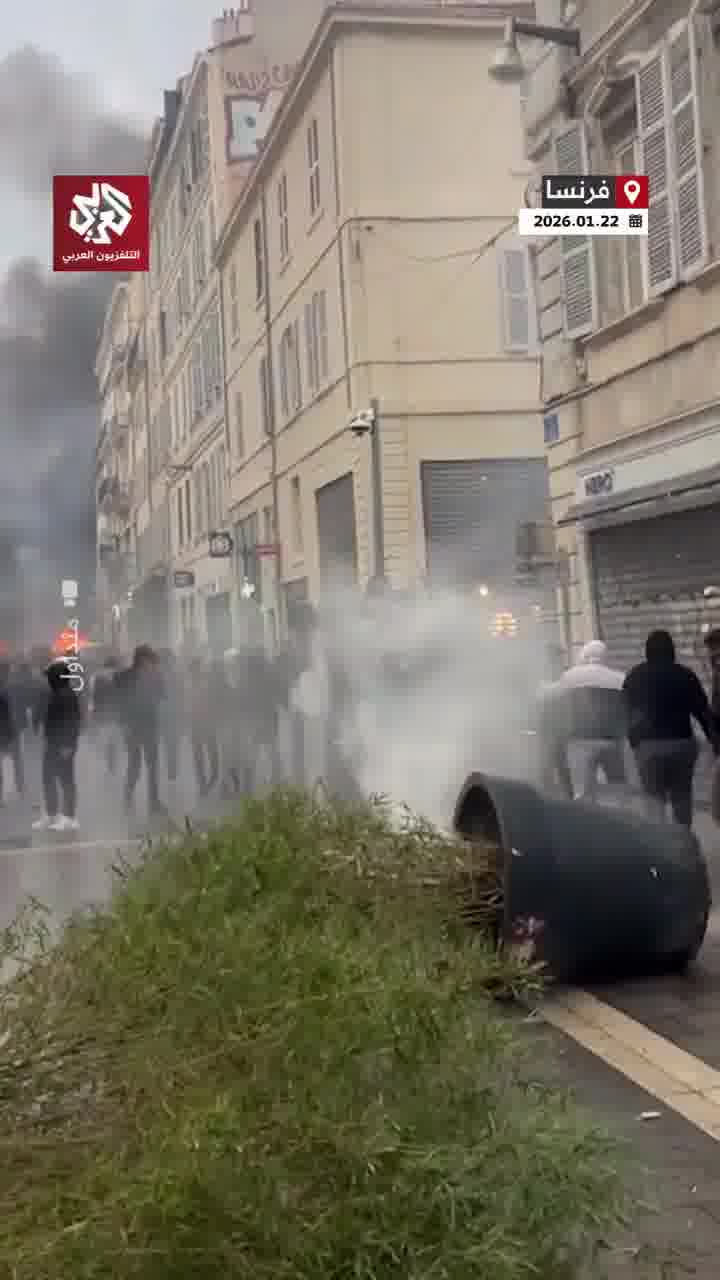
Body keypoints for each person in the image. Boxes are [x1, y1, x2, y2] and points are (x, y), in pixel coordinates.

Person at [623, 629, 719, 826]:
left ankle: (660, 847)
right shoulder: (685, 675)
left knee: (653, 800)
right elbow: (702, 712)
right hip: (682, 745)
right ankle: (684, 842)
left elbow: (624, 712)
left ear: (647, 651)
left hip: (649, 748)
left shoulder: (635, 675)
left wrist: (633, 741)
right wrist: (715, 741)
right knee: (682, 797)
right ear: (672, 650)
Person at [538, 640, 626, 800]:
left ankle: (586, 819)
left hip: (580, 742)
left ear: (584, 656)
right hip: (611, 741)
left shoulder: (572, 676)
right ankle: (617, 816)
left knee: (582, 791)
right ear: (605, 657)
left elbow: (547, 694)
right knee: (617, 788)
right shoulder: (620, 679)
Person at [31, 657, 83, 832]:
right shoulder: (58, 693)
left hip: (63, 744)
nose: (48, 680)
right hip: (53, 743)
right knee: (49, 778)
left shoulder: (66, 695)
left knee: (66, 780)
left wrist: (68, 745)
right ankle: (53, 815)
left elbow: (72, 722)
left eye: (50, 676)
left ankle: (69, 817)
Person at [115, 645, 165, 817]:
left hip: (149, 725)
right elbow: (120, 703)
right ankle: (128, 796)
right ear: (143, 659)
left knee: (152, 766)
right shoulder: (124, 677)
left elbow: (161, 697)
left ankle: (153, 801)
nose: (152, 664)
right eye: (150, 660)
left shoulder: (154, 677)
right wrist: (124, 725)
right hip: (133, 726)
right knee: (135, 764)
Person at [187, 657, 221, 797]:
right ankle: (207, 782)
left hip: (200, 724)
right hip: (203, 724)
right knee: (208, 755)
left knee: (201, 756)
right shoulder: (203, 684)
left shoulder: (193, 685)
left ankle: (205, 784)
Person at [91, 655, 121, 774]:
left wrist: (94, 714)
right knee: (114, 740)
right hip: (117, 714)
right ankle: (112, 763)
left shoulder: (98, 678)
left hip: (102, 714)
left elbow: (94, 697)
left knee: (107, 740)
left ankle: (109, 764)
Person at [0, 661, 24, 798]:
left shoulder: (8, 689)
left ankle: (13, 789)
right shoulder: (10, 689)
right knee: (13, 760)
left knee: (9, 761)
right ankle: (17, 788)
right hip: (9, 731)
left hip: (8, 731)